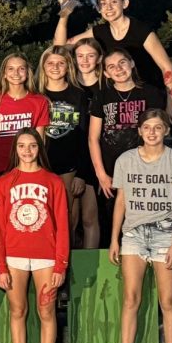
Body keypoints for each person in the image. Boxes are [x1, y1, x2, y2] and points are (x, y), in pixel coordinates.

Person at [106, 109, 172, 343]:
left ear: (166, 130)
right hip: (133, 234)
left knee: (167, 301)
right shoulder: (126, 160)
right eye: (147, 127)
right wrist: (114, 238)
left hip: (165, 234)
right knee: (131, 299)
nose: (152, 132)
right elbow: (121, 200)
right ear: (140, 131)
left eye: (158, 127)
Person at [0, 129, 70, 343]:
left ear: (40, 148)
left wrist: (61, 265)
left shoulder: (53, 182)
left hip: (45, 257)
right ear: (15, 149)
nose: (27, 151)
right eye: (22, 146)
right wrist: (0, 266)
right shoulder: (4, 183)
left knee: (46, 310)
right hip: (14, 255)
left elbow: (62, 225)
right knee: (18, 310)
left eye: (33, 146)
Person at [55, 0, 172, 130]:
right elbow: (59, 48)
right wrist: (64, 16)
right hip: (118, 100)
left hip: (144, 100)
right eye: (103, 3)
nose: (108, 7)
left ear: (125, 4)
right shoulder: (99, 31)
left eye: (114, 2)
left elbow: (166, 68)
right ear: (99, 8)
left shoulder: (142, 31)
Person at [89, 48, 166, 246]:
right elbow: (93, 138)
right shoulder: (102, 96)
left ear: (131, 64)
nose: (118, 69)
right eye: (111, 66)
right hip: (111, 170)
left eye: (122, 63)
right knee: (111, 218)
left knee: (144, 217)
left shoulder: (150, 93)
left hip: (143, 168)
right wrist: (101, 175)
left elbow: (156, 132)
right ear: (106, 73)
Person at [35, 47, 90, 242]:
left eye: (61, 63)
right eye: (50, 63)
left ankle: (67, 259)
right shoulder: (35, 94)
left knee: (68, 218)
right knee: (40, 214)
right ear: (43, 66)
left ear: (68, 66)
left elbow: (85, 136)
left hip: (69, 166)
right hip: (40, 164)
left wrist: (82, 173)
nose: (55, 67)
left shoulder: (78, 95)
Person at [0, 53, 49, 179]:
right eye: (11, 68)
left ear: (28, 72)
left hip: (26, 166)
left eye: (21, 68)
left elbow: (40, 140)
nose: (16, 73)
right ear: (4, 73)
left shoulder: (39, 101)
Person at [70, 37, 105, 248]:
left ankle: (92, 264)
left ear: (99, 58)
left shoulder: (106, 85)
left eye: (90, 55)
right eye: (80, 55)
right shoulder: (69, 85)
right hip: (72, 155)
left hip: (97, 156)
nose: (85, 60)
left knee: (90, 218)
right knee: (70, 219)